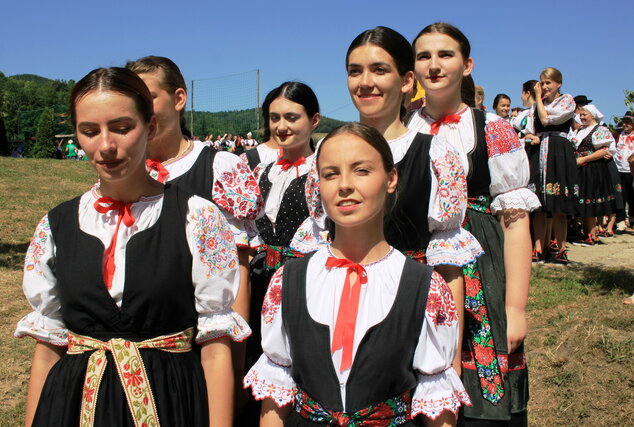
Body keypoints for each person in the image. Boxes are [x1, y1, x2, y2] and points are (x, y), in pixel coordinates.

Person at [15, 67, 249, 427]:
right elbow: (47, 349)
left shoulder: (197, 218)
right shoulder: (56, 225)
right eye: (90, 131)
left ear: (150, 128)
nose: (106, 145)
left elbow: (216, 348)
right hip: (74, 404)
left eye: (122, 128)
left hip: (170, 401)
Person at [245, 122, 470, 425]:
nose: (345, 185)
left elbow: (438, 407)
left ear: (391, 179)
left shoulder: (424, 287)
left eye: (361, 170)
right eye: (330, 174)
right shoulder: (289, 281)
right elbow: (276, 394)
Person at [408, 22, 540, 425]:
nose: (434, 65)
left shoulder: (492, 129)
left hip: (478, 266)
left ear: (467, 65)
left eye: (445, 55)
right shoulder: (401, 127)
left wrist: (515, 307)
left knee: (479, 372)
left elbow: (515, 224)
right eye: (423, 56)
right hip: (414, 262)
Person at [345, 25, 484, 374]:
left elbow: (449, 266)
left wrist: (448, 361)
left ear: (407, 81)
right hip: (344, 310)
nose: (365, 82)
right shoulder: (331, 153)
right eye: (354, 71)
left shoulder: (435, 153)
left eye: (379, 70)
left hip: (411, 309)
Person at [125, 56, 262, 407]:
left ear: (179, 98)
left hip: (198, 350)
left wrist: (232, 364)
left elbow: (237, 280)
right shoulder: (121, 173)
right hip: (132, 349)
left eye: (149, 97)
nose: (141, 109)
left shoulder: (219, 169)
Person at [524, 67, 579, 264]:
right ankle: (538, 248)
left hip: (558, 151)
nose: (545, 87)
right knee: (538, 204)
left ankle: (561, 248)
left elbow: (547, 119)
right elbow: (530, 129)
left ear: (558, 84)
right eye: (542, 83)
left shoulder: (567, 100)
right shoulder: (534, 108)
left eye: (548, 83)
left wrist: (538, 99)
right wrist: (531, 136)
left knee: (558, 204)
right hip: (539, 153)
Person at [568, 104, 619, 244]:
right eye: (581, 115)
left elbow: (603, 151)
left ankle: (592, 234)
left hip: (593, 169)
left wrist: (583, 159)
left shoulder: (600, 129)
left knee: (589, 199)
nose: (582, 117)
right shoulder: (580, 131)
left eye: (585, 114)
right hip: (581, 169)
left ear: (593, 115)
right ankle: (588, 233)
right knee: (582, 200)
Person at [241, 90, 283, 171]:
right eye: (275, 117)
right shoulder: (249, 157)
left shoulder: (312, 161)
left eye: (292, 118)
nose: (283, 126)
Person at [615, 111, 634, 232]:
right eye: (624, 122)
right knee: (620, 196)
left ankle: (632, 219)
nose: (625, 124)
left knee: (633, 196)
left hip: (632, 171)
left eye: (628, 122)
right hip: (619, 170)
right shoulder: (617, 135)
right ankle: (621, 222)